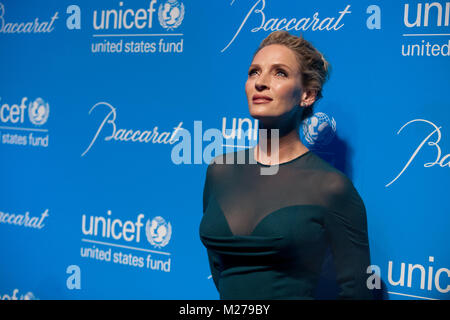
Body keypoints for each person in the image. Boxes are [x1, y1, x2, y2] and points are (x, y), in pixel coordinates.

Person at [199, 31, 373, 299]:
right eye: (254, 72)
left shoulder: (331, 187)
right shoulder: (220, 171)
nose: (261, 82)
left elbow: (356, 292)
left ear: (307, 95)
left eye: (279, 73)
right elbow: (220, 270)